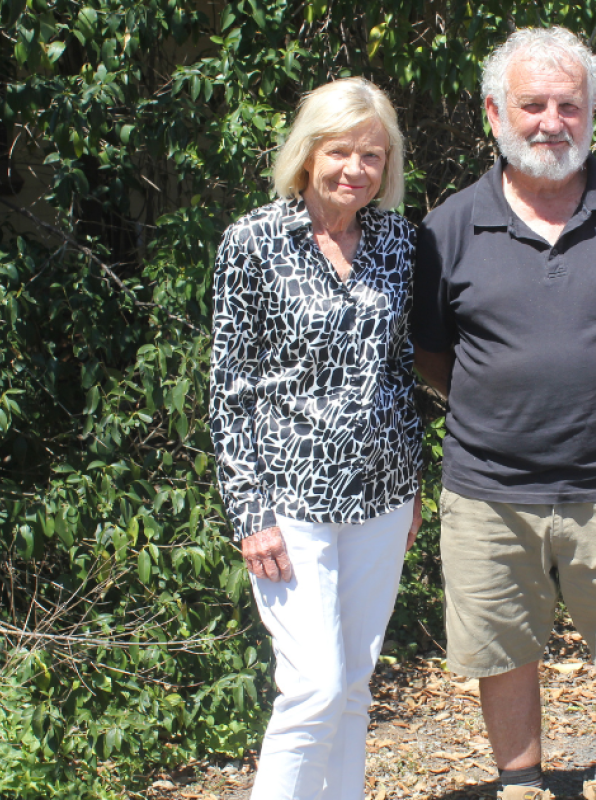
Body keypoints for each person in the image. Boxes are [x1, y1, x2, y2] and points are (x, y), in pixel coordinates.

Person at [412, 26, 596, 800]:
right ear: (496, 112)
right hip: (490, 490)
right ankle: (521, 785)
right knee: (501, 649)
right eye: (532, 104)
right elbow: (434, 351)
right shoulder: (452, 225)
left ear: (591, 114)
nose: (550, 122)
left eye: (569, 105)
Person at [209, 77, 422, 800]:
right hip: (289, 501)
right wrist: (250, 513)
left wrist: (415, 482)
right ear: (308, 154)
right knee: (312, 686)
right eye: (340, 151)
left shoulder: (398, 241)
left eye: (372, 155)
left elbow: (400, 371)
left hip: (384, 495)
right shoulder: (253, 241)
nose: (355, 169)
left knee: (355, 686)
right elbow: (230, 386)